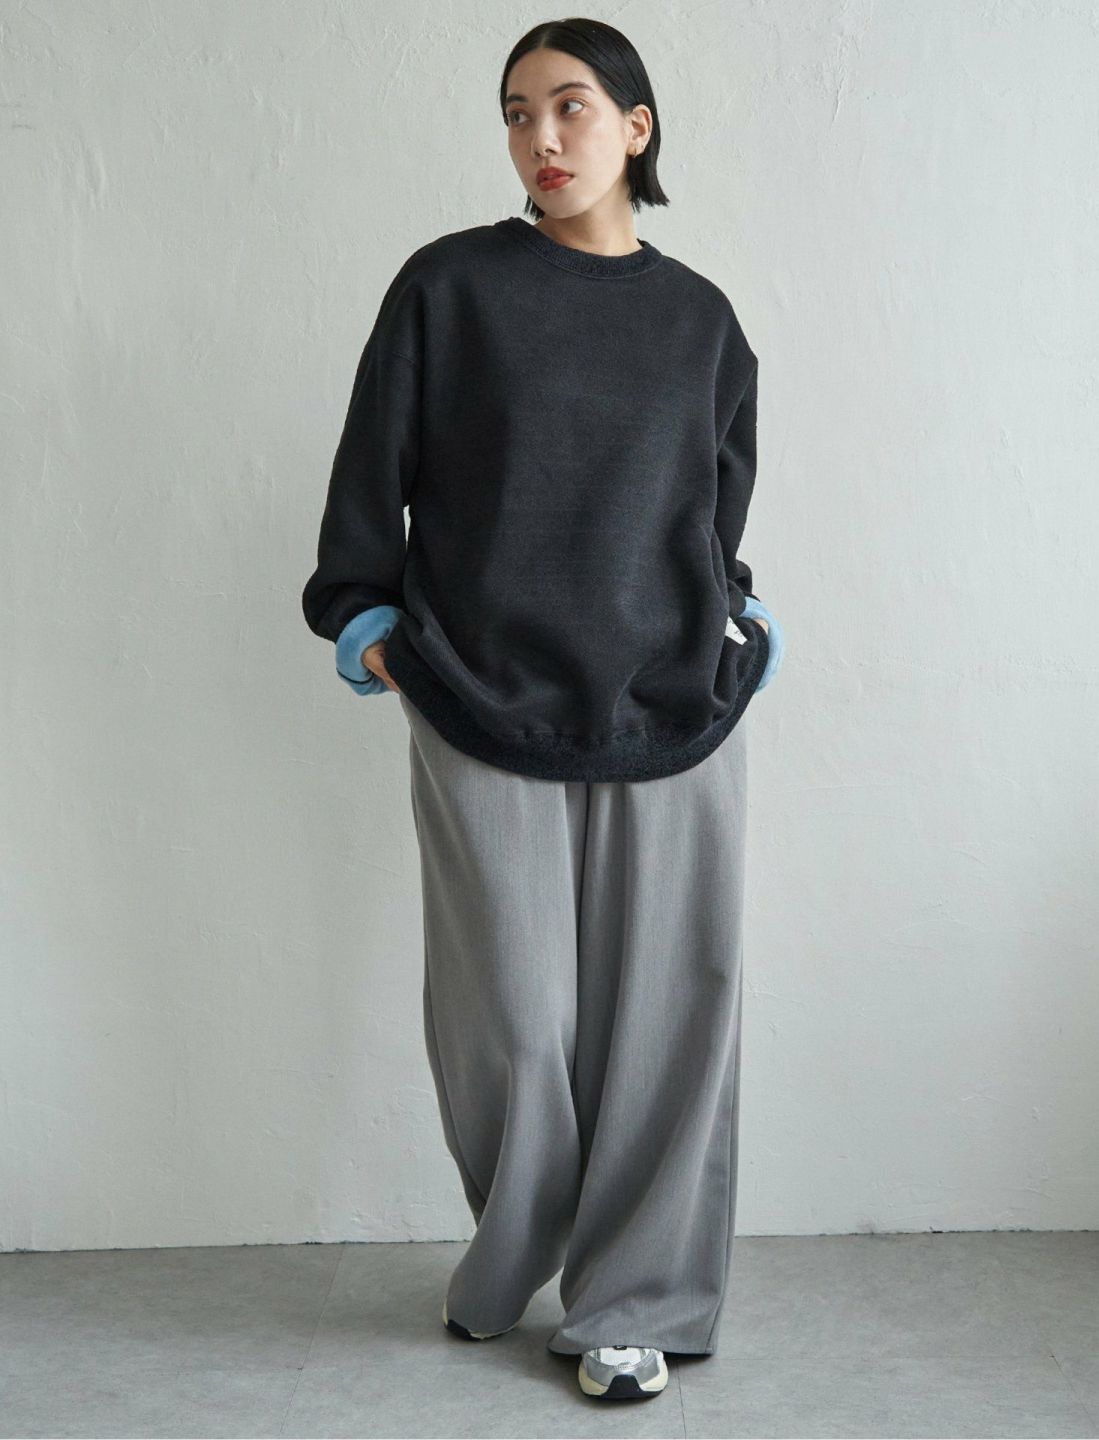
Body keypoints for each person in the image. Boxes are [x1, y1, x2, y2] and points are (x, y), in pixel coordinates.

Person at [301, 17, 785, 1402]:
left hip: (675, 703)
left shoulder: (701, 321)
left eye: (571, 107)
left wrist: (744, 615)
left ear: (637, 126)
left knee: (671, 1020)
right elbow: (371, 475)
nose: (542, 138)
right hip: (480, 693)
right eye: (517, 114)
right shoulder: (448, 289)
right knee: (512, 1020)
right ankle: (512, 1257)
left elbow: (712, 513)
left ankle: (636, 1304)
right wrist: (365, 616)